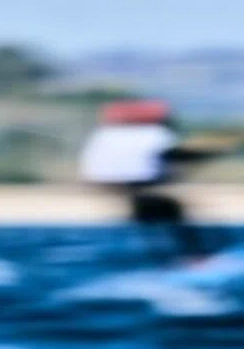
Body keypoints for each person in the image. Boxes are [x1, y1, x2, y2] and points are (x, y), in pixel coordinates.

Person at [78, 99, 228, 262]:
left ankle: (165, 257)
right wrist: (211, 153)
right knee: (174, 215)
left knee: (154, 219)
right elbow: (173, 156)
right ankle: (195, 258)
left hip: (107, 185)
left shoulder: (105, 135)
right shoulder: (155, 133)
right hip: (141, 186)